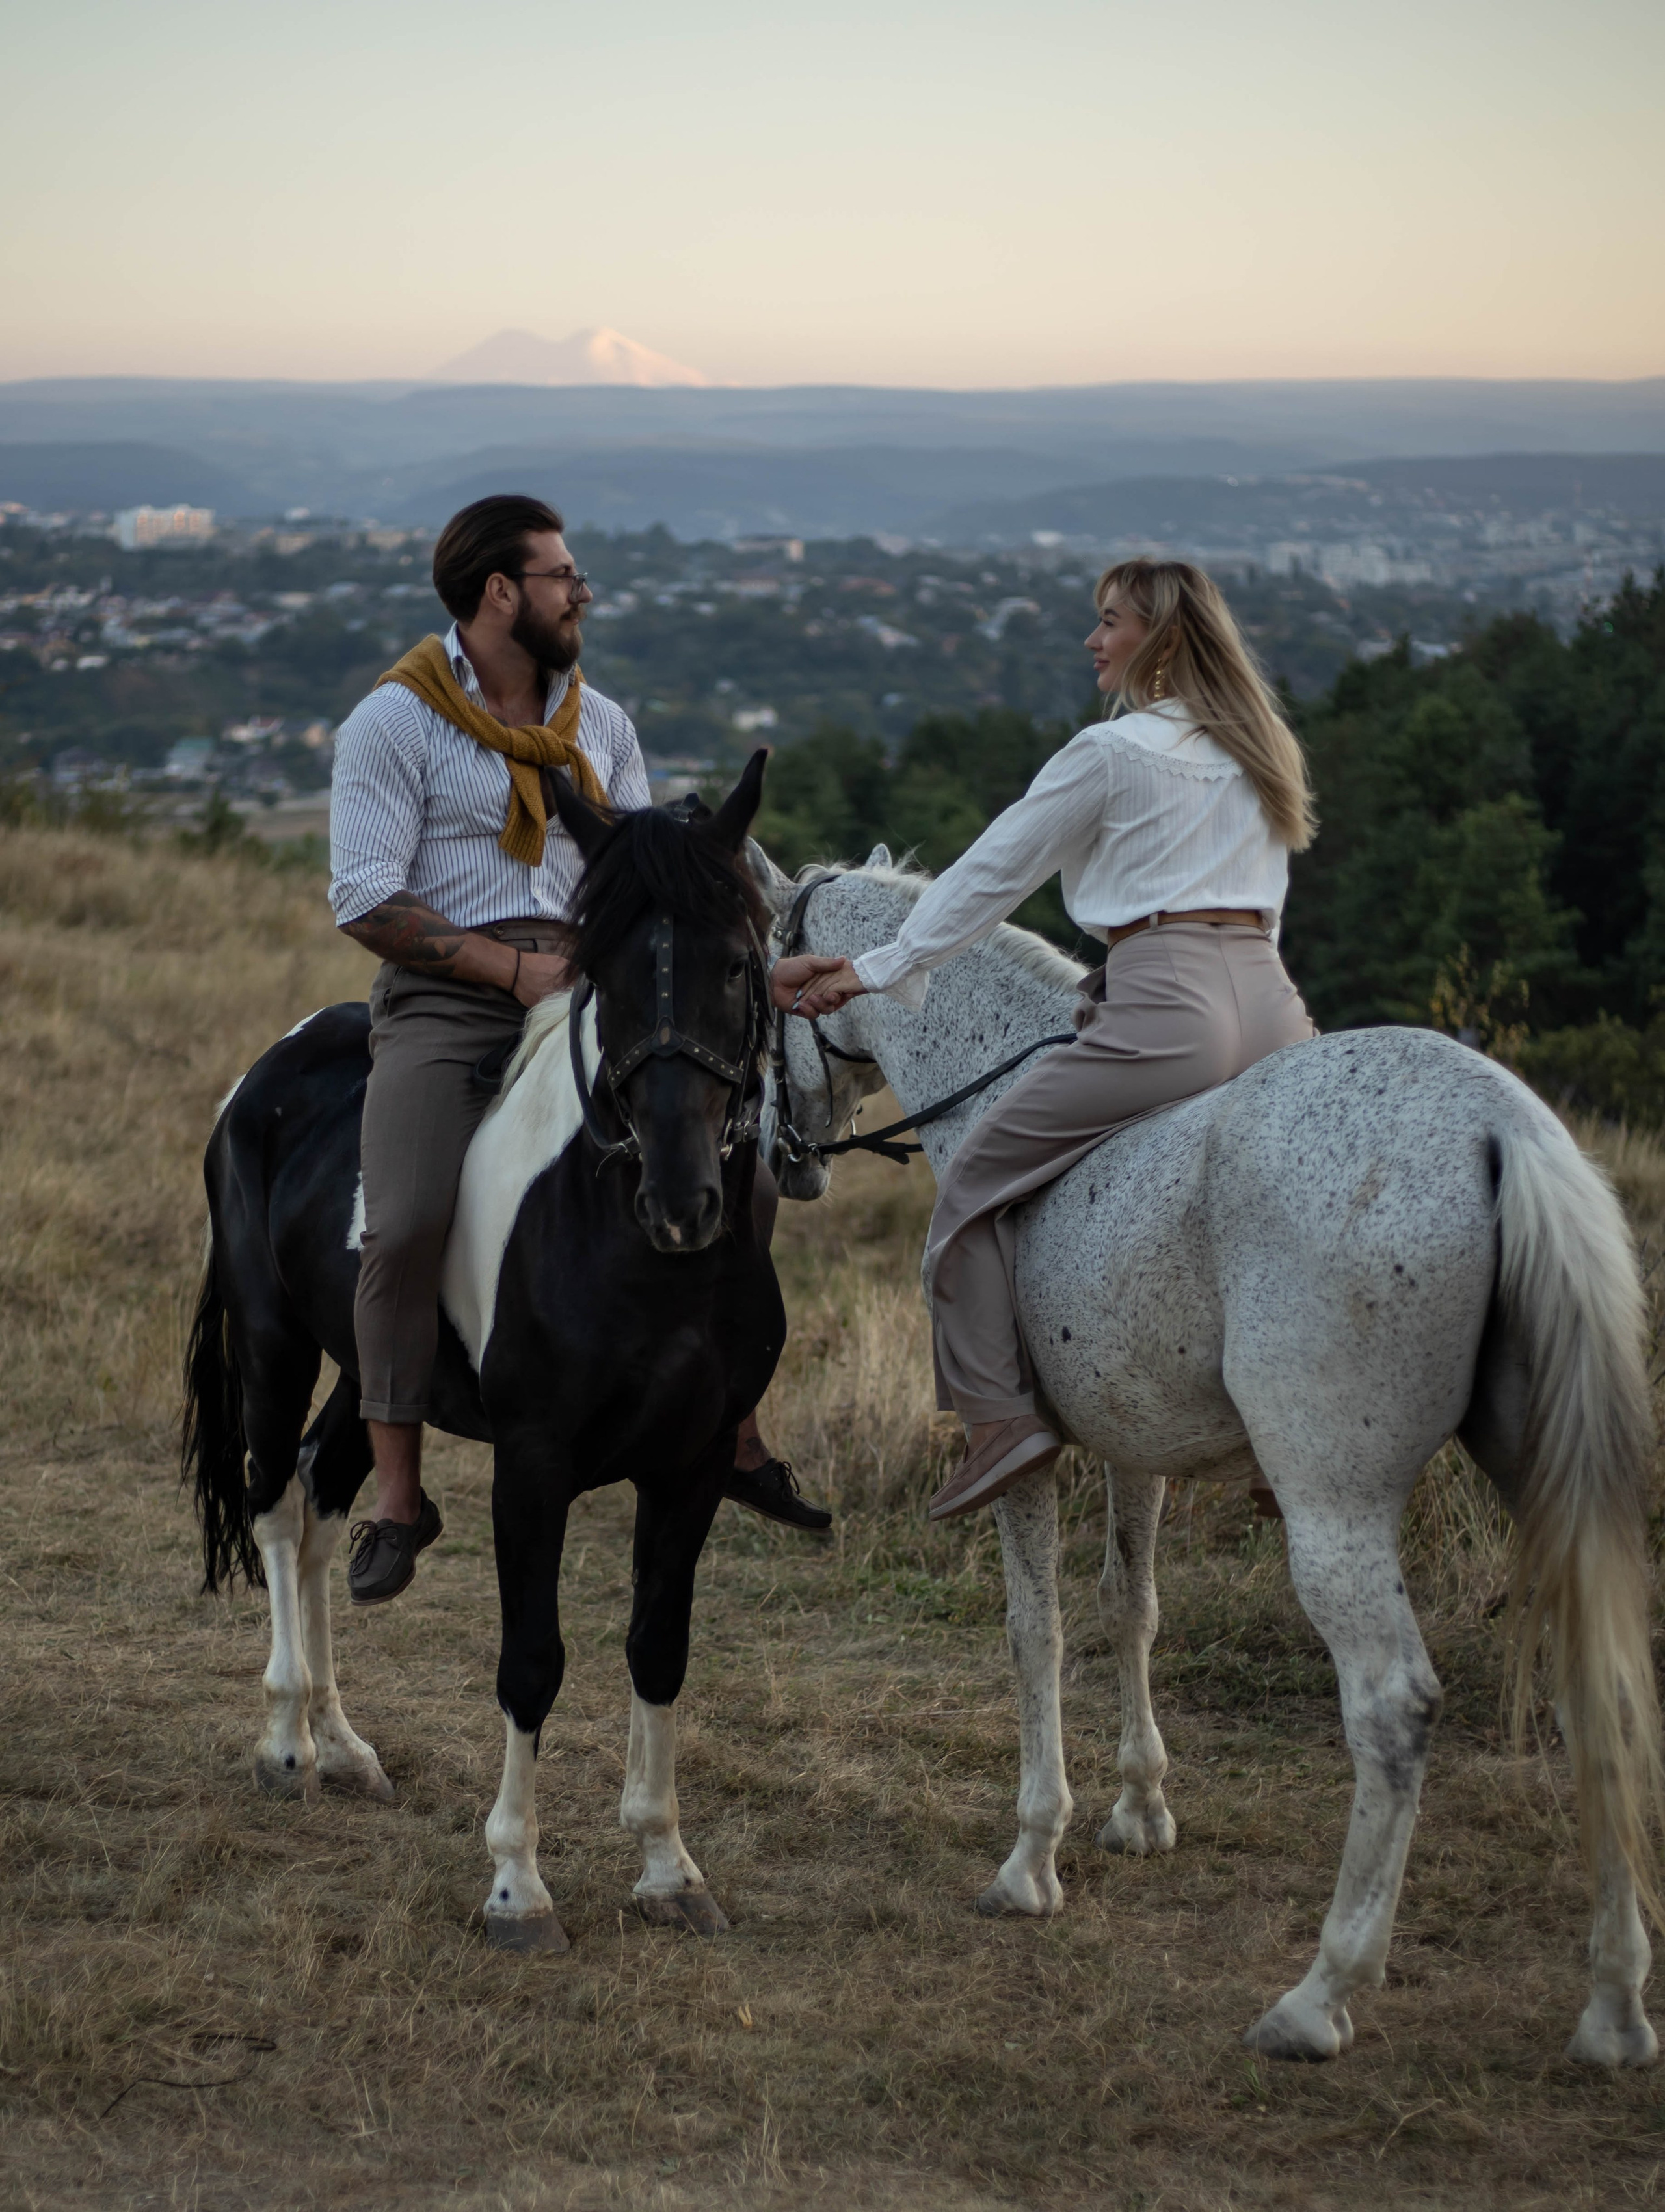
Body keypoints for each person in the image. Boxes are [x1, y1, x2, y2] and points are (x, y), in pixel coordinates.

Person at [330, 494, 828, 1606]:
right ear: (499, 592)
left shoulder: (600, 725)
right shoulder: (393, 724)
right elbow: (363, 896)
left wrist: (744, 972)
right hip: (450, 999)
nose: (581, 593)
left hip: (601, 989)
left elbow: (650, 884)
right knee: (402, 1220)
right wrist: (511, 973)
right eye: (562, 577)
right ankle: (399, 1497)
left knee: (741, 1180)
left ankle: (731, 1427)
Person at [772, 557, 1317, 1523]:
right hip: (1275, 1004)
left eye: (1110, 622)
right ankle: (1289, 1428)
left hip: (1169, 1004)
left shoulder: (1107, 753)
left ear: (1161, 639)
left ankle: (999, 1423)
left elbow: (989, 878)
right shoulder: (1261, 745)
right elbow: (1265, 906)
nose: (1092, 639)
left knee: (972, 1187)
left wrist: (875, 967)